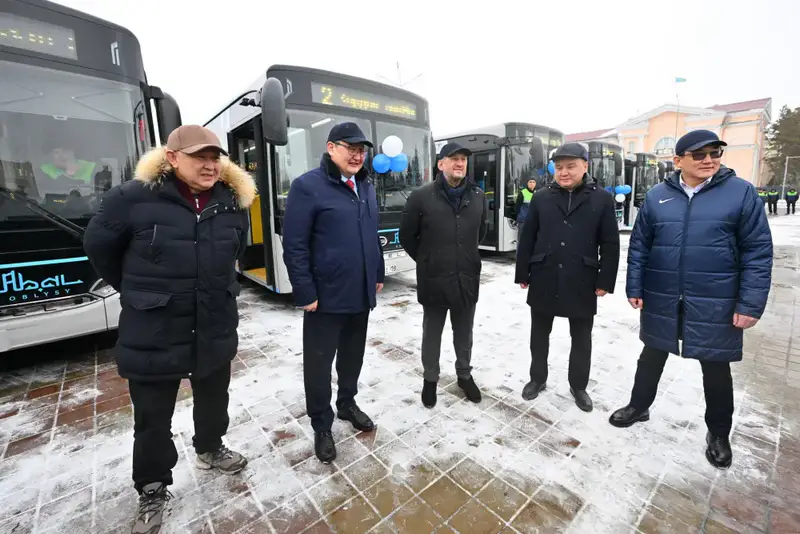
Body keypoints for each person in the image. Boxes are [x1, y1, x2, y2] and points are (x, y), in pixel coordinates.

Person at [83, 125, 253, 532]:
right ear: (173, 158)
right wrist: (138, 291)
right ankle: (153, 485)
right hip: (154, 329)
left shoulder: (232, 202)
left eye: (215, 157)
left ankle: (210, 446)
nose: (209, 165)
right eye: (199, 157)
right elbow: (98, 247)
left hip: (213, 323)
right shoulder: (132, 198)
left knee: (214, 399)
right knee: (152, 418)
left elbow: (237, 251)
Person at [609, 130, 773, 470]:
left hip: (717, 299)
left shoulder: (740, 193)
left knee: (716, 368)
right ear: (678, 160)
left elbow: (757, 252)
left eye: (715, 153)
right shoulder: (658, 196)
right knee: (651, 356)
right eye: (699, 154)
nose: (709, 160)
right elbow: (639, 246)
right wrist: (634, 287)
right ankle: (639, 406)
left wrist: (749, 304)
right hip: (663, 295)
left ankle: (719, 433)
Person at [282, 122, 384, 464]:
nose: (357, 155)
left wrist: (377, 272)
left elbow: (371, 233)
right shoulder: (307, 187)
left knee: (353, 357)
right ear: (331, 148)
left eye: (362, 150)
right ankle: (321, 425)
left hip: (360, 293)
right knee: (319, 364)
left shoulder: (366, 186)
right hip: (325, 298)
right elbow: (294, 245)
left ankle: (347, 403)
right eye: (350, 148)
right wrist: (305, 292)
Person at [514, 143, 620, 411]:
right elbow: (528, 238)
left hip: (582, 277)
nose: (564, 172)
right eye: (559, 167)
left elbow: (610, 243)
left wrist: (605, 280)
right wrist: (522, 272)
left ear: (585, 166)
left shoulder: (602, 199)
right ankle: (537, 378)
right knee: (539, 334)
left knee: (581, 338)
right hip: (544, 274)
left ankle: (578, 385)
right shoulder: (541, 197)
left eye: (570, 166)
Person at [399, 142, 487, 408]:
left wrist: (465, 256)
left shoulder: (478, 196)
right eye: (454, 159)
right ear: (441, 164)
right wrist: (428, 260)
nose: (460, 163)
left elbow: (480, 233)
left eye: (463, 160)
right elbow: (407, 236)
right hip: (434, 279)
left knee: (464, 333)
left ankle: (464, 375)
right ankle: (430, 379)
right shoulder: (421, 196)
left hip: (466, 278)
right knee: (432, 334)